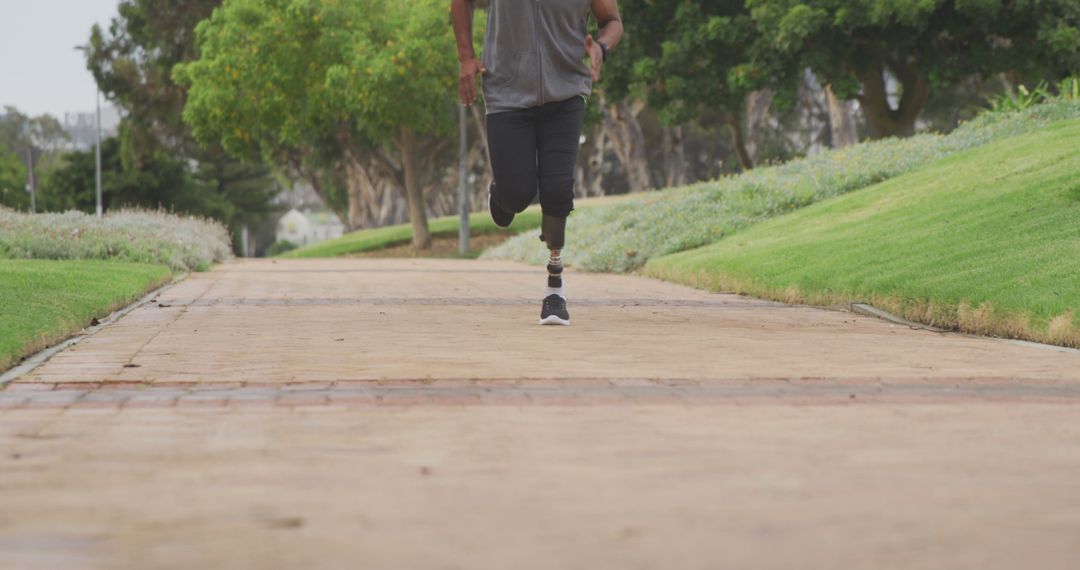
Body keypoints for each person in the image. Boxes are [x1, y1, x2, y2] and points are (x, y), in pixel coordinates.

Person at [451, 0, 623, 326]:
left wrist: (601, 47)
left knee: (557, 190)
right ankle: (502, 192)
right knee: (517, 193)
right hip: (506, 93)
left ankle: (554, 290)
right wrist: (466, 58)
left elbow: (612, 21)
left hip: (566, 92)